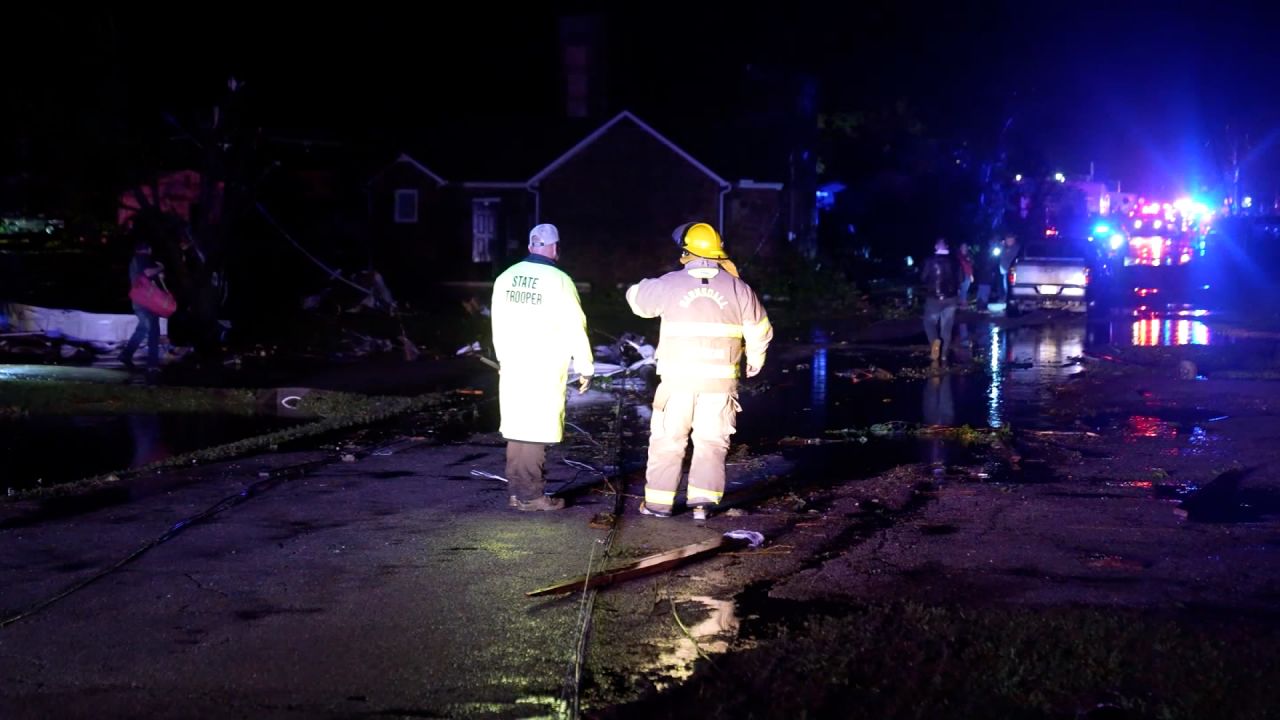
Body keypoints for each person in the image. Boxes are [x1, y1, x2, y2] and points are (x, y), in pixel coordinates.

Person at [626, 222, 772, 520]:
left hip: (677, 383)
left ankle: (658, 505)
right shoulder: (738, 287)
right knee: (711, 442)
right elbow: (761, 330)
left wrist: (642, 285)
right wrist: (756, 358)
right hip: (719, 386)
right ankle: (702, 505)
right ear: (719, 251)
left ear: (686, 251)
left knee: (668, 441)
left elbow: (637, 301)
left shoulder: (669, 283)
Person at [490, 223, 594, 512]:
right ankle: (531, 496)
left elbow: (496, 323)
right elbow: (576, 326)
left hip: (513, 364)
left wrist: (502, 359)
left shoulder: (505, 278)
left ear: (530, 245)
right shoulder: (559, 280)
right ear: (555, 248)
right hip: (544, 366)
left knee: (517, 428)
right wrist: (585, 366)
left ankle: (518, 491)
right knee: (535, 431)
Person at [119, 240, 164, 371]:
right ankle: (152, 365)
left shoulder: (134, 260)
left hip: (138, 301)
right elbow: (148, 272)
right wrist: (160, 268)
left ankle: (126, 355)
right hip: (147, 302)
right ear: (148, 249)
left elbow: (145, 275)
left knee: (143, 329)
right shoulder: (143, 258)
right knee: (153, 331)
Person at [920, 237, 962, 365]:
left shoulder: (929, 261)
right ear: (947, 247)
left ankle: (935, 342)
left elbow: (923, 277)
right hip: (952, 299)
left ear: (935, 247)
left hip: (934, 298)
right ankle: (943, 355)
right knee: (947, 327)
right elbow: (961, 278)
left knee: (929, 323)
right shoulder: (955, 261)